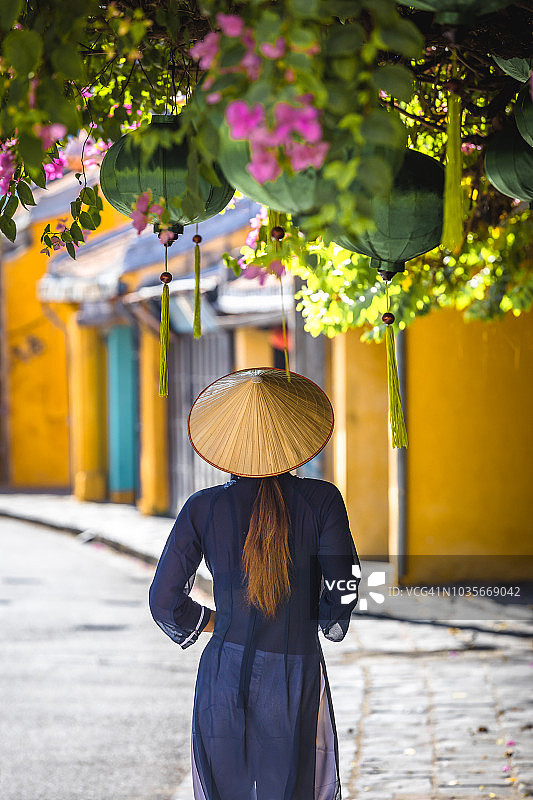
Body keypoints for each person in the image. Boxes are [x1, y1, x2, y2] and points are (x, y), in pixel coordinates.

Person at [149, 367, 361, 800]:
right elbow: (345, 584)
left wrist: (215, 621)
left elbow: (164, 600)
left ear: (228, 442)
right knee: (291, 788)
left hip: (223, 671)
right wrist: (314, 617)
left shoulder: (202, 507)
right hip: (294, 668)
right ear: (292, 437)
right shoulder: (323, 500)